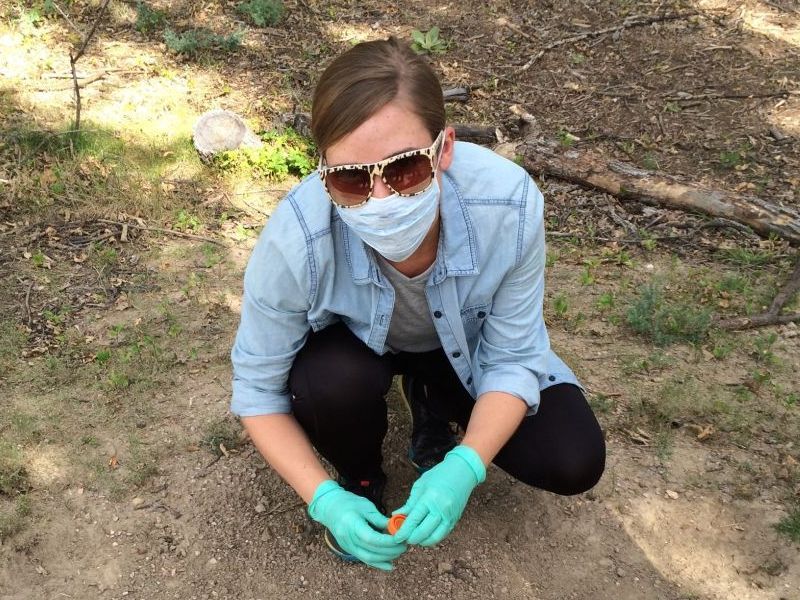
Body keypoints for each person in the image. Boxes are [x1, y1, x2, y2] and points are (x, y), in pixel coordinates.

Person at [230, 37, 606, 572]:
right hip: (358, 353)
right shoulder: (295, 238)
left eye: (405, 168)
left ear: (445, 148)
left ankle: (431, 396)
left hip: (464, 350)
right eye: (351, 178)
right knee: (331, 381)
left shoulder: (510, 204)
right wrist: (324, 499)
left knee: (572, 458)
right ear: (322, 170)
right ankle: (359, 479)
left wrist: (467, 465)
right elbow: (256, 391)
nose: (380, 198)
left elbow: (514, 356)